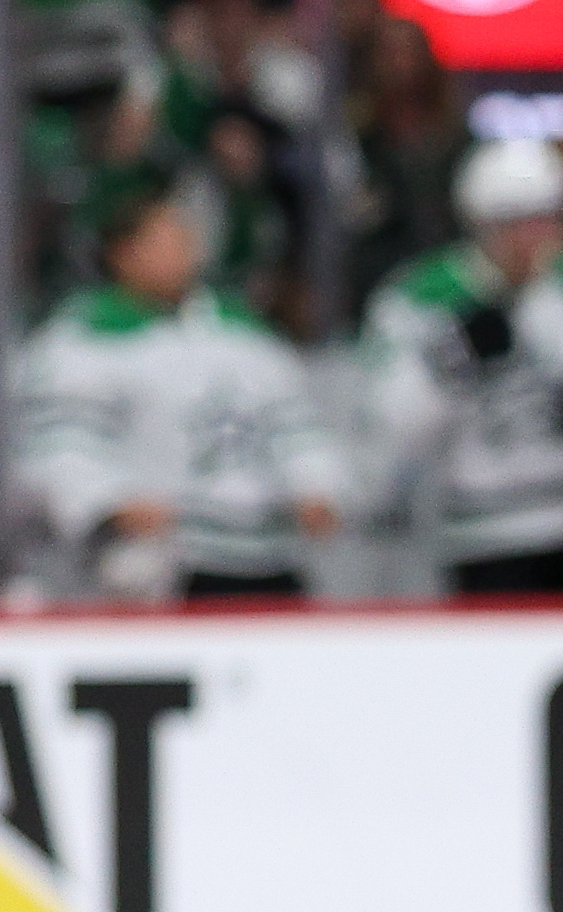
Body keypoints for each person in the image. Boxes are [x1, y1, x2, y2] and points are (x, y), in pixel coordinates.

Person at [363, 137, 563, 593]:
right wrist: (453, 365)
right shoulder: (419, 298)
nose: (534, 240)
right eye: (514, 225)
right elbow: (392, 432)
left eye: (546, 221)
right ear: (480, 225)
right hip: (491, 535)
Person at [20, 187, 345, 602]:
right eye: (166, 239)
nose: (185, 250)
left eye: (185, 237)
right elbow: (63, 445)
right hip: (161, 560)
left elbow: (293, 420)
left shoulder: (240, 331)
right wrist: (109, 503)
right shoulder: (82, 340)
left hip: (266, 551)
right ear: (123, 252)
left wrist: (316, 484)